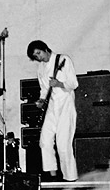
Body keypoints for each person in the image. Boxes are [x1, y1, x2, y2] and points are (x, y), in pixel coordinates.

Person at [27, 40, 78, 182]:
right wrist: (41, 100)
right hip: (52, 107)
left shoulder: (63, 60)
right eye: (35, 56)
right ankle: (52, 174)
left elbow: (74, 83)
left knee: (63, 145)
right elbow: (44, 90)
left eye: (39, 53)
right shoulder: (41, 68)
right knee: (44, 141)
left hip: (65, 105)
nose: (39, 57)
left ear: (45, 49)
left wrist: (59, 84)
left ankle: (70, 178)